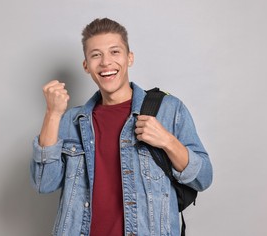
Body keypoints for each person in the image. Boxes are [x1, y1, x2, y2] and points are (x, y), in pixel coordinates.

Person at [30, 18, 213, 236]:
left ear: (129, 58)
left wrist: (168, 141)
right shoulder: (71, 120)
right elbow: (43, 183)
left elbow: (203, 178)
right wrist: (52, 114)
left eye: (115, 52)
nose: (106, 62)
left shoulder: (168, 110)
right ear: (86, 65)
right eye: (96, 55)